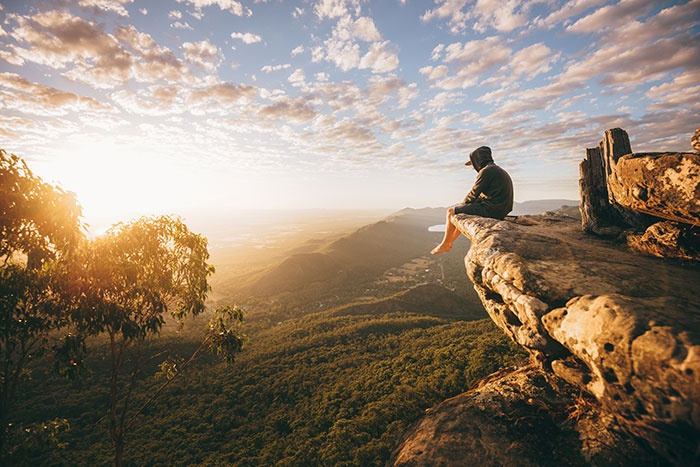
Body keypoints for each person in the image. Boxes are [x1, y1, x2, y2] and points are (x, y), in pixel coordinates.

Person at [431, 146, 513, 254]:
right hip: (501, 209)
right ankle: (449, 241)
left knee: (451, 212)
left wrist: (461, 206)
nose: (473, 168)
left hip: (492, 210)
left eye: (473, 164)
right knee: (463, 210)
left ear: (478, 161)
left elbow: (474, 193)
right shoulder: (495, 169)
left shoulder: (486, 171)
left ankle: (445, 243)